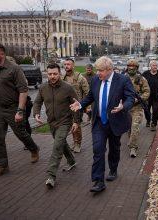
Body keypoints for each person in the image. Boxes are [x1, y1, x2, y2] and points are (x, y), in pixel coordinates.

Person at [69, 56, 135, 193]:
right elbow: (91, 97)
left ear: (109, 69)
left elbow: (130, 97)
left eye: (101, 70)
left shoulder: (123, 80)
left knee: (114, 148)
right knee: (98, 150)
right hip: (99, 122)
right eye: (97, 70)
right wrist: (80, 104)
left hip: (115, 121)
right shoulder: (95, 80)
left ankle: (113, 169)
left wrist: (124, 107)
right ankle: (98, 181)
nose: (97, 73)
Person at [0, 43, 39, 178]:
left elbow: (23, 90)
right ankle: (2, 165)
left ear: (2, 54)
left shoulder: (14, 69)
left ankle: (33, 149)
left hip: (13, 107)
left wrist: (20, 111)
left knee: (21, 133)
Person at [33, 63, 79, 189]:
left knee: (57, 146)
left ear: (60, 74)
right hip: (51, 122)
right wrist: (36, 113)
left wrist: (76, 122)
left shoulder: (67, 88)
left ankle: (51, 176)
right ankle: (71, 161)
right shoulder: (43, 88)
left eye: (55, 74)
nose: (52, 76)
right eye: (50, 74)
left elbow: (76, 105)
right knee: (61, 143)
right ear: (47, 74)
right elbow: (37, 102)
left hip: (65, 122)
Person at [63, 58, 89, 153]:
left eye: (68, 64)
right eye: (65, 64)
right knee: (71, 125)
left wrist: (87, 106)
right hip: (66, 107)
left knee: (76, 124)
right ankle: (74, 142)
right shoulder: (62, 78)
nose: (66, 66)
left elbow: (87, 92)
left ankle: (78, 144)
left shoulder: (80, 78)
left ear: (73, 66)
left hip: (77, 106)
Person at [125, 59, 150, 158]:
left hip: (137, 107)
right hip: (126, 107)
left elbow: (147, 92)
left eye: (133, 67)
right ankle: (132, 141)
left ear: (136, 68)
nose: (131, 69)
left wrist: (138, 99)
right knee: (129, 128)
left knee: (135, 127)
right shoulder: (123, 78)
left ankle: (133, 147)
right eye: (129, 67)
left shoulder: (141, 79)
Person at [142, 60, 158, 131]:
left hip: (156, 97)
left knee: (155, 110)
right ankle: (148, 120)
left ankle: (154, 123)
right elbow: (141, 85)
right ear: (150, 66)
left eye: (156, 65)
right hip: (147, 97)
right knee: (146, 110)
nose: (155, 67)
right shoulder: (145, 74)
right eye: (153, 65)